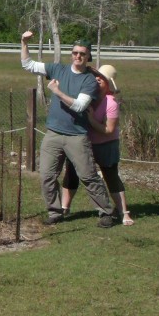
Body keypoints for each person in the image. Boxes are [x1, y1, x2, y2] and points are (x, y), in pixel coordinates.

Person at [19, 31, 117, 227]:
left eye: (82, 53)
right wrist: (23, 43)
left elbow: (80, 106)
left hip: (76, 136)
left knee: (88, 176)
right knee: (46, 175)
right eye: (74, 53)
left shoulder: (90, 80)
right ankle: (55, 211)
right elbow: (28, 64)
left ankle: (106, 212)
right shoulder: (58, 69)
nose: (78, 56)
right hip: (53, 134)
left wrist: (56, 91)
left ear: (88, 56)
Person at [61, 64, 133, 226]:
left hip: (106, 144)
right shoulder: (87, 96)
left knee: (110, 176)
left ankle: (123, 212)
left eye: (103, 78)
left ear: (109, 83)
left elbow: (108, 130)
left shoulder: (111, 103)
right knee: (71, 173)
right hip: (84, 142)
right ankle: (64, 207)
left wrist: (92, 120)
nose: (98, 79)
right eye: (96, 76)